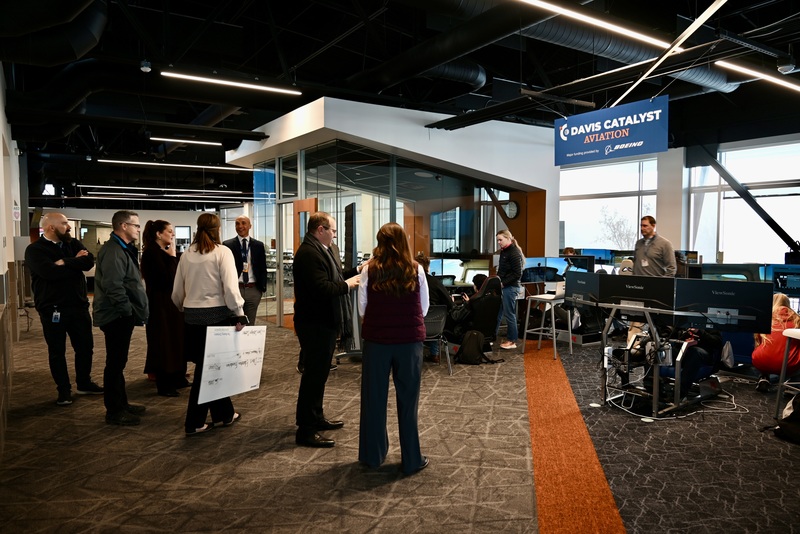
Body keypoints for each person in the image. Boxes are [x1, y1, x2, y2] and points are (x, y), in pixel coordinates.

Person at [358, 222, 429, 475]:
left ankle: (372, 455)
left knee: (373, 399)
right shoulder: (416, 270)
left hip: (377, 342)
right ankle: (412, 459)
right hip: (409, 343)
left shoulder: (369, 270)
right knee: (408, 402)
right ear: (404, 242)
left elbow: (362, 310)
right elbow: (423, 308)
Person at [172, 213, 247, 436]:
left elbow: (177, 292)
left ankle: (224, 414)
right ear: (217, 229)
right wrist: (239, 313)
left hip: (192, 318)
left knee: (210, 367)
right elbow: (231, 289)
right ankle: (194, 422)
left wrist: (183, 308)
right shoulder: (222, 252)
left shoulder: (186, 254)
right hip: (217, 318)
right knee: (208, 371)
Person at [293, 212, 360, 448]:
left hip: (323, 322)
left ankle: (316, 417)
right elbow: (322, 288)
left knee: (320, 375)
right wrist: (346, 285)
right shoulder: (309, 254)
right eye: (332, 230)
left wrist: (356, 272)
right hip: (315, 323)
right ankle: (306, 430)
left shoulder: (322, 250)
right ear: (320, 229)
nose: (334, 234)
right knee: (313, 376)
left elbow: (336, 277)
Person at [25, 212, 103, 406]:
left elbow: (88, 262)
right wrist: (73, 263)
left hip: (78, 306)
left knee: (85, 348)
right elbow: (49, 273)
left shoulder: (73, 243)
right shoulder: (35, 250)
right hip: (52, 310)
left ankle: (84, 383)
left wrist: (65, 262)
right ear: (51, 227)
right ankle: (64, 390)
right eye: (65, 223)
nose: (68, 227)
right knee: (57, 351)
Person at [92, 210, 149, 426]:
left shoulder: (122, 249)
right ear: (123, 226)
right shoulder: (114, 251)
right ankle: (114, 411)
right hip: (116, 315)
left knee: (119, 362)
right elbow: (113, 286)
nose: (138, 229)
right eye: (135, 225)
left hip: (119, 314)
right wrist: (127, 311)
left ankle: (121, 403)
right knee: (115, 364)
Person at [140, 220, 187, 397]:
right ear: (159, 234)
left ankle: (177, 377)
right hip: (160, 305)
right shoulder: (152, 253)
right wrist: (172, 257)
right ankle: (165, 383)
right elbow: (168, 279)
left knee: (175, 339)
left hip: (170, 304)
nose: (172, 234)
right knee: (163, 342)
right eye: (169, 231)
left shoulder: (160, 252)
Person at [223, 215, 267, 326]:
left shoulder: (258, 245)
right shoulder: (227, 245)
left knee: (249, 324)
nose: (240, 226)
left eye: (243, 223)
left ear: (250, 226)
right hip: (235, 289)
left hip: (253, 290)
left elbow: (262, 268)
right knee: (234, 324)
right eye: (237, 224)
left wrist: (262, 288)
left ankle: (248, 344)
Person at [752, 293, 800, 392]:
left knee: (761, 350)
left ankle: (763, 378)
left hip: (761, 361)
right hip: (788, 364)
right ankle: (792, 384)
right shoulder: (797, 319)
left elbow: (758, 342)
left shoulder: (765, 317)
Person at [415, 252, 453, 364]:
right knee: (434, 316)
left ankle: (416, 355)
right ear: (428, 267)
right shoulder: (435, 282)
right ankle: (435, 354)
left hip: (415, 325)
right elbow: (449, 304)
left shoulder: (409, 282)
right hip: (435, 326)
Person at [495, 229, 524, 350]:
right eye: (497, 240)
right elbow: (502, 270)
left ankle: (512, 340)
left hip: (510, 287)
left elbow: (517, 274)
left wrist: (503, 283)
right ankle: (491, 336)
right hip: (504, 285)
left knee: (509, 314)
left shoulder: (514, 253)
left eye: (500, 240)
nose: (499, 242)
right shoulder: (504, 251)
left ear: (508, 238)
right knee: (498, 312)